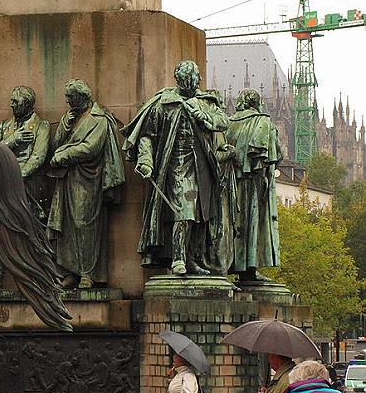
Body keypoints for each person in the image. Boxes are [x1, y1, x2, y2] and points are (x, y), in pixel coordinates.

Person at [122, 60, 229, 275]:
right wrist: (145, 161)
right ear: (182, 80)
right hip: (176, 164)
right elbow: (147, 136)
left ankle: (191, 258)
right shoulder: (163, 103)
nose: (196, 82)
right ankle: (178, 258)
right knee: (184, 211)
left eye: (196, 78)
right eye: (192, 79)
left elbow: (222, 121)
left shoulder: (205, 102)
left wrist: (203, 116)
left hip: (203, 166)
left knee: (201, 215)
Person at [47, 79, 125, 289]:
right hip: (67, 180)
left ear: (82, 97)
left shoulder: (98, 119)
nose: (67, 101)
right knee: (66, 225)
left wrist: (64, 154)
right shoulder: (72, 116)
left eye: (70, 98)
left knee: (85, 226)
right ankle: (69, 270)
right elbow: (56, 143)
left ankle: (87, 273)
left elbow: (90, 148)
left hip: (88, 181)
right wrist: (65, 125)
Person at [0, 86, 51, 289]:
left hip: (29, 187)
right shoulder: (3, 127)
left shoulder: (41, 126)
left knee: (32, 230)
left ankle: (37, 277)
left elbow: (38, 157)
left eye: (16, 101)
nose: (11, 104)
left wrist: (16, 176)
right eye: (11, 100)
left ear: (29, 104)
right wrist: (13, 140)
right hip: (3, 187)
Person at [225, 89, 282, 281]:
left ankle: (229, 264)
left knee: (232, 224)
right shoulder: (263, 123)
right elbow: (277, 154)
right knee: (252, 223)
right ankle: (249, 268)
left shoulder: (227, 124)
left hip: (229, 184)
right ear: (256, 103)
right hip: (253, 183)